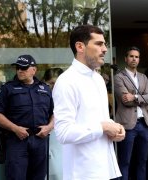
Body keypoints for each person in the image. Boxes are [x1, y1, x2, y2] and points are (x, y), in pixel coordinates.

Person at [52, 24, 125, 180]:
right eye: (99, 44)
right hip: (83, 172)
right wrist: (104, 127)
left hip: (107, 167)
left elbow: (98, 119)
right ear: (80, 46)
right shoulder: (66, 81)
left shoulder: (98, 79)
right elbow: (63, 133)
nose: (105, 49)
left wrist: (114, 127)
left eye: (104, 44)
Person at [0, 54, 54, 180]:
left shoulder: (45, 89)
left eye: (24, 68)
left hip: (40, 140)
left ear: (34, 70)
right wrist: (15, 128)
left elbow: (54, 113)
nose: (20, 70)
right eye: (18, 67)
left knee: (39, 177)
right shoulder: (8, 88)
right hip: (17, 141)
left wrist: (49, 127)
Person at [114, 46, 148, 180]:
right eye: (131, 56)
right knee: (125, 161)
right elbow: (126, 101)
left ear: (139, 59)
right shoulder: (119, 77)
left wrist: (135, 97)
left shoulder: (143, 77)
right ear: (126, 59)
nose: (134, 59)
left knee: (142, 161)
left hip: (143, 124)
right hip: (127, 125)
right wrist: (141, 97)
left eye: (136, 57)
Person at [42, 68, 64, 180]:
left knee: (60, 169)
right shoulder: (42, 96)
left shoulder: (65, 96)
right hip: (46, 134)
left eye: (57, 83)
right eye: (51, 83)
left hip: (60, 136)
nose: (54, 86)